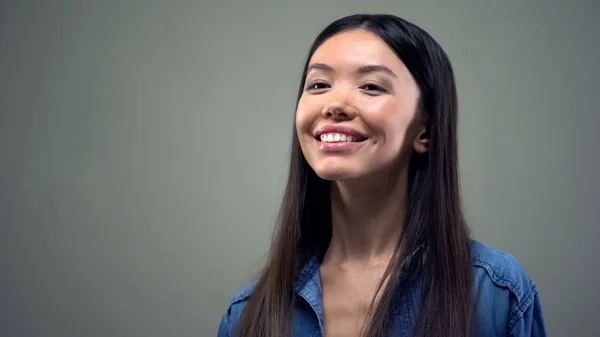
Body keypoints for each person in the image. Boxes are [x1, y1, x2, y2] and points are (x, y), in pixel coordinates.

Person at [217, 13, 546, 337]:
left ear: (425, 130)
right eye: (319, 84)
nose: (335, 104)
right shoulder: (248, 313)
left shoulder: (496, 293)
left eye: (371, 86)